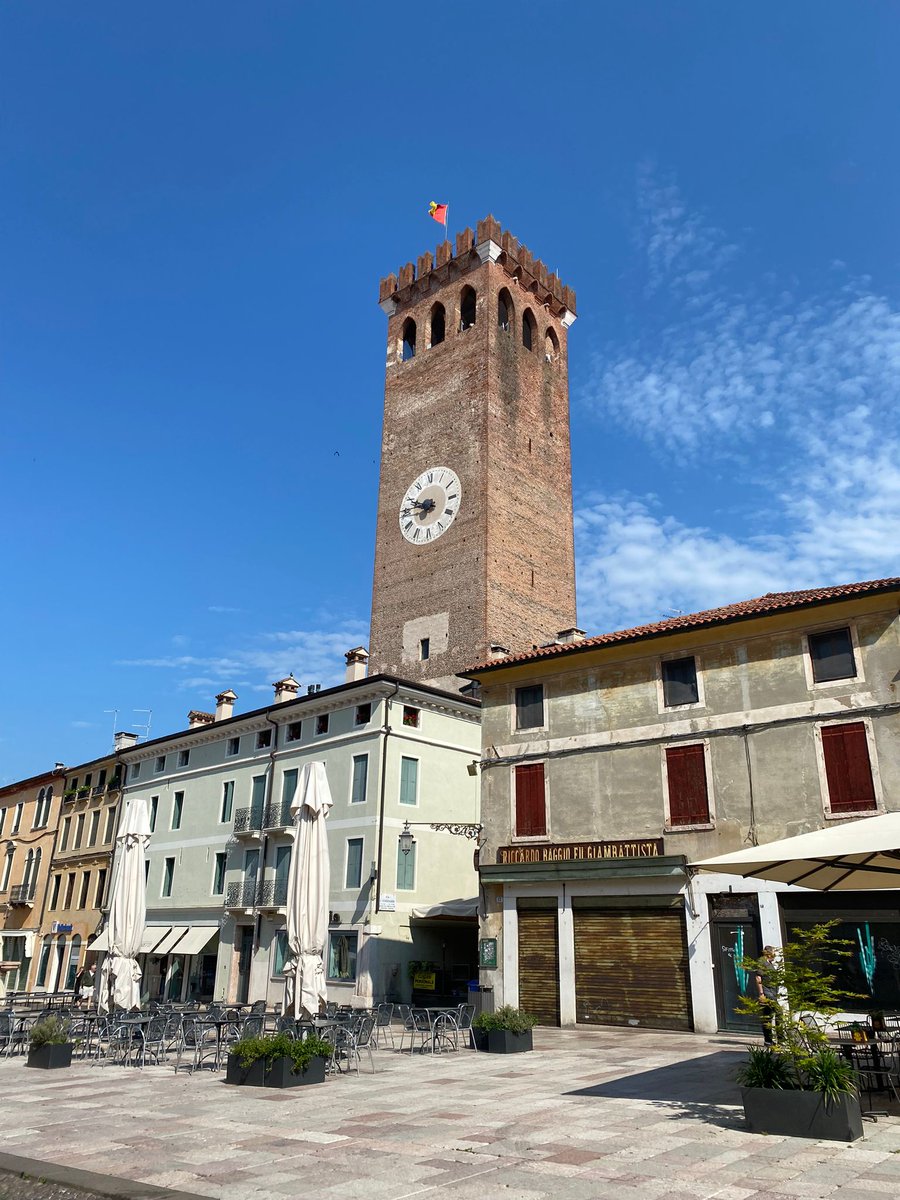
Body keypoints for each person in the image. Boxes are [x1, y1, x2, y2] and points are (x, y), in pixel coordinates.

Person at [753, 945, 779, 1045]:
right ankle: (781, 1038)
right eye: (774, 952)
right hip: (767, 992)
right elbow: (758, 978)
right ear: (768, 953)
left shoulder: (770, 963)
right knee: (779, 1012)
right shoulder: (761, 962)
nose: (775, 954)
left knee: (767, 1015)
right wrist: (761, 994)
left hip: (773, 992)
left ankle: (768, 1040)